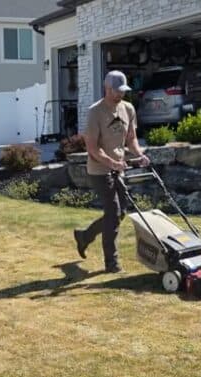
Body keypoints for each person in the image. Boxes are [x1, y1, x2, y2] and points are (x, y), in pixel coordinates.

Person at [73, 70, 150, 273]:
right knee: (113, 212)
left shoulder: (128, 109)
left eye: (123, 91)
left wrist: (138, 154)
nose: (120, 95)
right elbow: (92, 147)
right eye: (117, 91)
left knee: (119, 213)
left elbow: (131, 138)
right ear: (107, 89)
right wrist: (112, 163)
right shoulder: (95, 112)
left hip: (119, 167)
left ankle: (84, 236)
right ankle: (112, 262)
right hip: (99, 169)